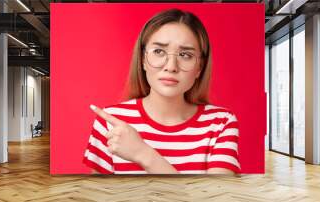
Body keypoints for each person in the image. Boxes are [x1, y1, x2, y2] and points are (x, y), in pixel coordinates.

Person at [84, 8, 240, 174]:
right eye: (159, 51)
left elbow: (217, 199)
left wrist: (143, 154)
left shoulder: (221, 122)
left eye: (185, 55)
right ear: (143, 59)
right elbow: (99, 197)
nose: (171, 66)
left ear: (199, 68)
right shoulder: (110, 122)